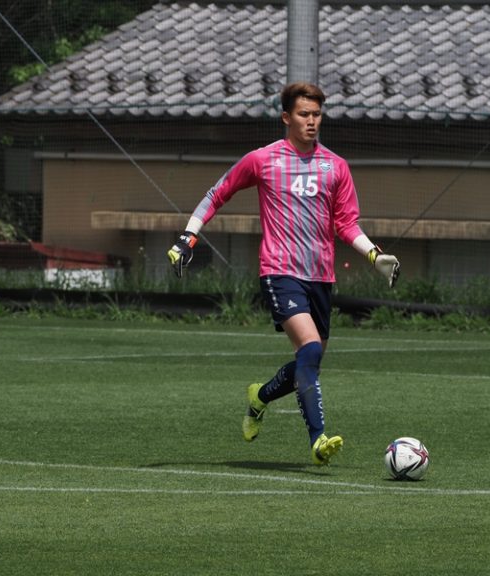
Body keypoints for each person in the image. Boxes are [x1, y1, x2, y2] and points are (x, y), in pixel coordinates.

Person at [167, 82, 400, 466]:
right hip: (279, 272)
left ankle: (259, 397)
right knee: (309, 349)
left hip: (321, 277)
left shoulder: (335, 166)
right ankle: (318, 439)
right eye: (304, 114)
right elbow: (217, 193)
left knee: (310, 361)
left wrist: (374, 256)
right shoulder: (263, 160)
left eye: (317, 114)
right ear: (286, 117)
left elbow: (345, 224)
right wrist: (188, 237)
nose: (312, 121)